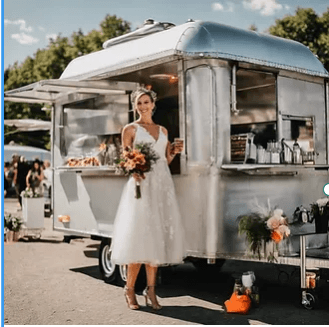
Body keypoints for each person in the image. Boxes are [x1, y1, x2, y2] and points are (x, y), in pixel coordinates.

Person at [110, 88, 185, 310]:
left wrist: (173, 151)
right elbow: (125, 160)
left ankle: (151, 292)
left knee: (156, 238)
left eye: (146, 102)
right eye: (139, 103)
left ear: (153, 104)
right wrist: (133, 167)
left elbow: (164, 161)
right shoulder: (130, 129)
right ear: (135, 106)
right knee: (139, 236)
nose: (143, 106)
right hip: (141, 187)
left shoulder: (162, 130)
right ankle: (129, 290)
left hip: (162, 187)